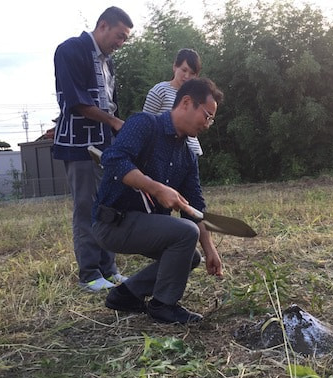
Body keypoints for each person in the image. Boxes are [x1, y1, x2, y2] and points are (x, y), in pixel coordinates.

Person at [92, 78, 224, 324]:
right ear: (187, 102)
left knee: (191, 256)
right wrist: (156, 188)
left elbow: (195, 206)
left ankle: (126, 294)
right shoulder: (144, 125)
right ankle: (163, 305)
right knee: (186, 233)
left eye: (211, 120)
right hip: (112, 223)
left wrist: (210, 250)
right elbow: (113, 161)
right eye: (207, 116)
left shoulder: (187, 156)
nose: (208, 125)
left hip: (144, 225)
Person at [53, 6, 133, 291]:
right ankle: (89, 274)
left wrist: (118, 131)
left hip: (105, 143)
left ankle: (109, 270)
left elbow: (111, 102)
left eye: (125, 39)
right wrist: (114, 121)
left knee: (108, 205)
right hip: (79, 143)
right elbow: (76, 101)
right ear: (103, 26)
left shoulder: (108, 61)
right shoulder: (70, 50)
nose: (120, 43)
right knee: (86, 207)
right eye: (119, 36)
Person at [143, 48, 204, 156]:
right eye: (184, 70)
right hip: (166, 153)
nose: (187, 76)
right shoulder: (160, 90)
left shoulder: (194, 97)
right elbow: (144, 124)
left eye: (192, 73)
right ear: (175, 67)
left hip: (191, 154)